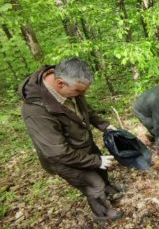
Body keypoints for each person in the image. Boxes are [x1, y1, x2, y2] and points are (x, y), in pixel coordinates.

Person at [19, 58, 123, 223]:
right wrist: (95, 161)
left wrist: (105, 126)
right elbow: (57, 153)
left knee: (101, 170)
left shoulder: (73, 86)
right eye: (78, 92)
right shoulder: (36, 111)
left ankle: (108, 189)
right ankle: (103, 214)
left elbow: (86, 111)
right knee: (94, 185)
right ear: (60, 83)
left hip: (83, 145)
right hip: (62, 158)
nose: (82, 96)